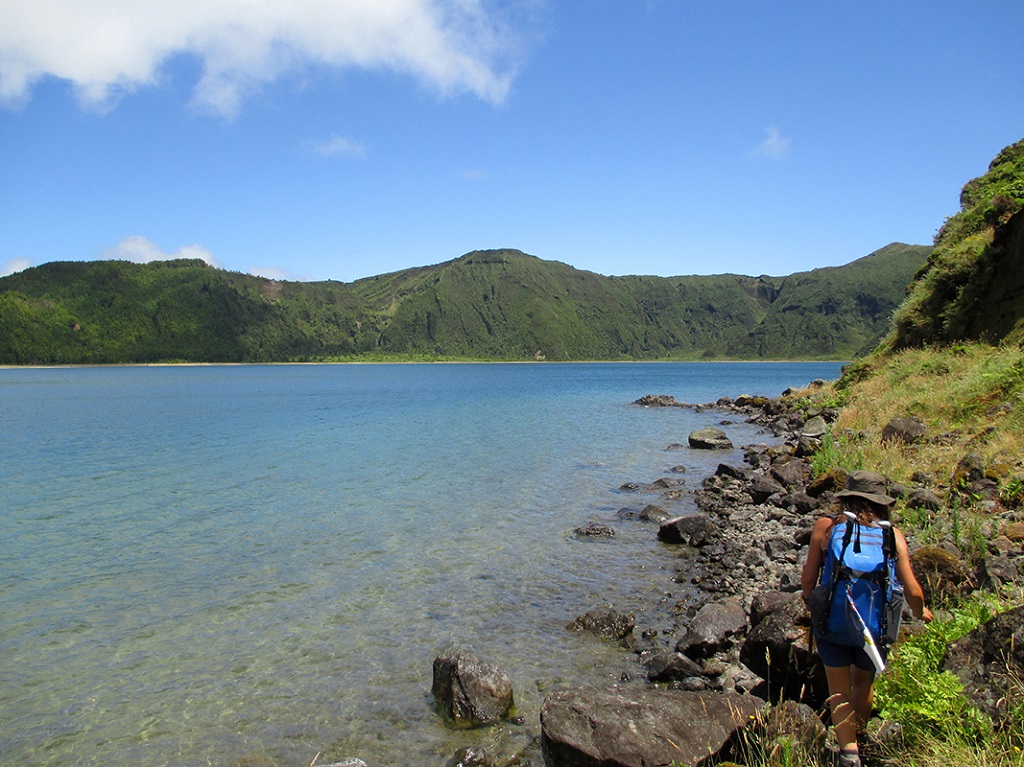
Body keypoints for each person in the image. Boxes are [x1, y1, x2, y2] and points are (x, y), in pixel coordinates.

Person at [801, 470, 933, 767]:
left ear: (846, 498)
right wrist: (919, 611)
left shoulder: (827, 527)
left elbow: (809, 577)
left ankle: (848, 751)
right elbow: (911, 588)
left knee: (838, 690)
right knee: (863, 683)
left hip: (833, 622)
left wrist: (811, 602)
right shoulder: (892, 535)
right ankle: (858, 735)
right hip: (875, 625)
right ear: (881, 503)